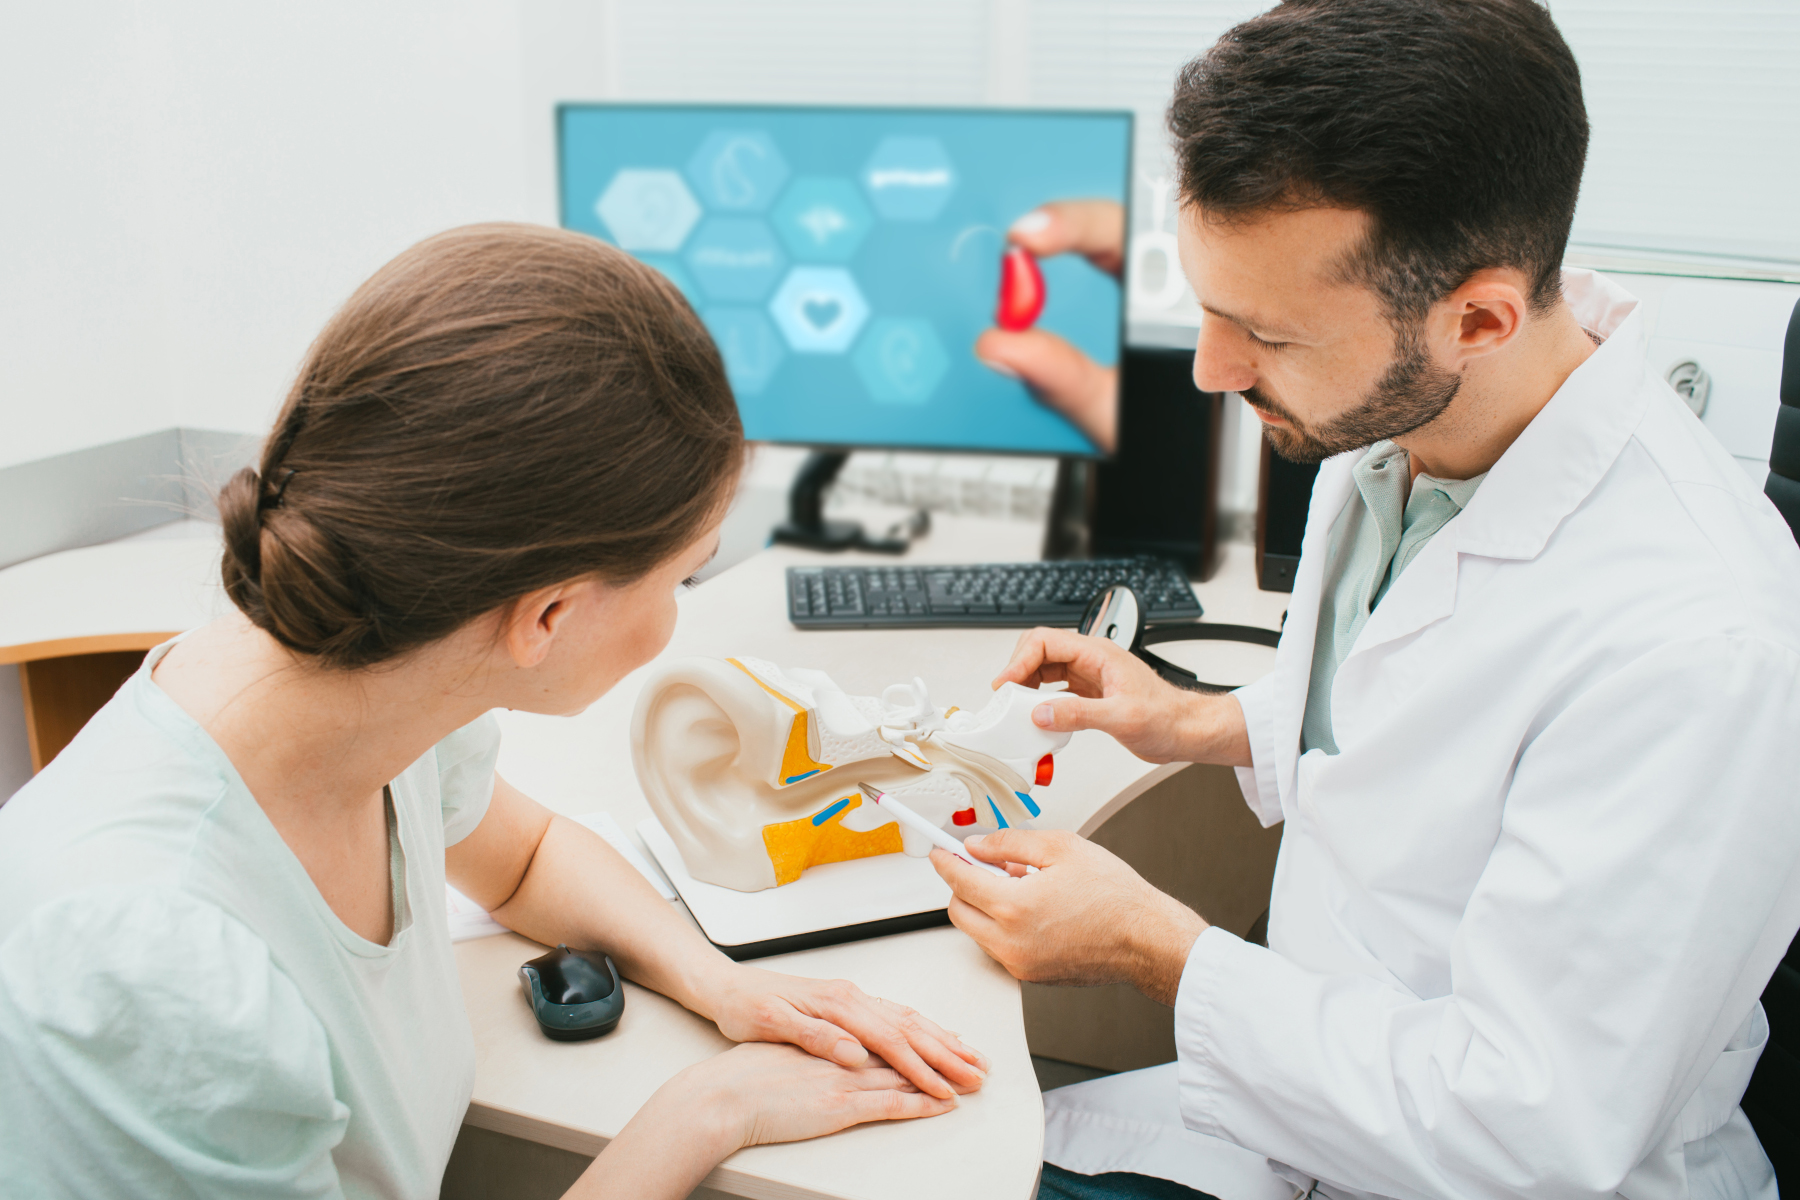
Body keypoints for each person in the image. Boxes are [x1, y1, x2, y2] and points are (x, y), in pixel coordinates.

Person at [934, 2, 1800, 1198]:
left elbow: (1530, 1138)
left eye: (1264, 334)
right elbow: (1413, 718)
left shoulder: (1698, 642)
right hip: (1317, 1115)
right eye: (1208, 304)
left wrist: (1157, 950)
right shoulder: (1408, 419)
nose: (1211, 370)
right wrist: (1198, 719)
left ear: (1481, 316)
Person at [0, 224, 986, 1200]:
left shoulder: (386, 673)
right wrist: (708, 1112)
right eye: (683, 575)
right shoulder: (149, 967)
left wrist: (722, 983)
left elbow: (520, 860)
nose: (677, 612)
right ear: (548, 616)